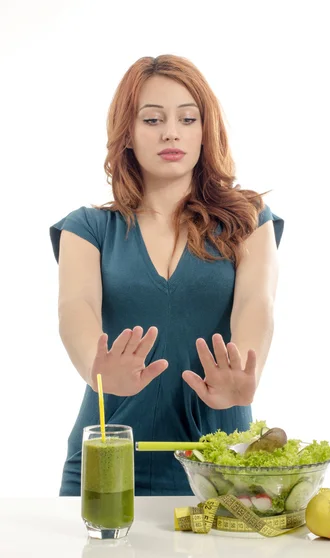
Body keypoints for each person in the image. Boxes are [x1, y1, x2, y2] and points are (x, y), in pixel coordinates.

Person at [49, 54, 285, 497]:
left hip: (222, 464)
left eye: (187, 118)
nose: (171, 132)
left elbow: (258, 302)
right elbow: (74, 307)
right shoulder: (87, 228)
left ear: (205, 130)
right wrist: (95, 371)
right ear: (127, 136)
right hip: (109, 462)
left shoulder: (250, 219)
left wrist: (245, 368)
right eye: (153, 119)